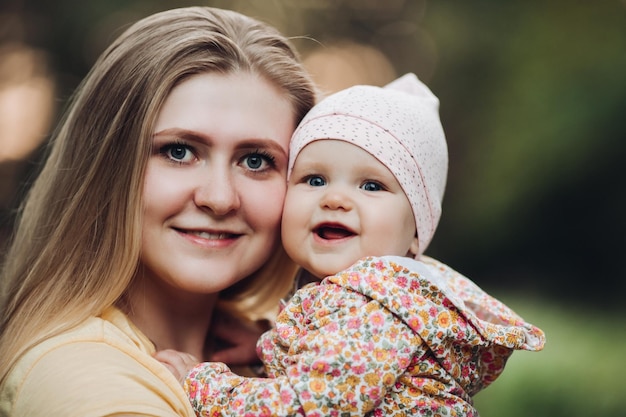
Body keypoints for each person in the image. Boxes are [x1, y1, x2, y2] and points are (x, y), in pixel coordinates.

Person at [157, 73, 546, 416]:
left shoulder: (381, 310)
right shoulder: (370, 302)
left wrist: (203, 381)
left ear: (417, 231)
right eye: (314, 179)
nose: (336, 199)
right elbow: (333, 377)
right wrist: (270, 348)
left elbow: (306, 407)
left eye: (371, 186)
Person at [0, 6, 316, 416]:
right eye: (179, 151)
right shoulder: (84, 381)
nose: (219, 198)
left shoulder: (292, 357)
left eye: (255, 161)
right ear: (107, 166)